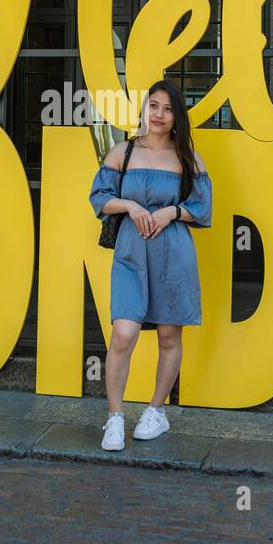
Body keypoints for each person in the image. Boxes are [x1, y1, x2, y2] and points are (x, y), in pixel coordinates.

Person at [87, 78, 212, 451]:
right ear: (144, 109)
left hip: (173, 256)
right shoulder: (122, 152)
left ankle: (156, 411)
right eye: (154, 106)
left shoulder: (187, 157)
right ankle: (114, 418)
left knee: (169, 336)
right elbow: (99, 198)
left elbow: (202, 208)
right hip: (129, 255)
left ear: (177, 117)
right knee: (123, 334)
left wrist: (171, 211)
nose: (160, 114)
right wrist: (132, 206)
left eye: (169, 108)